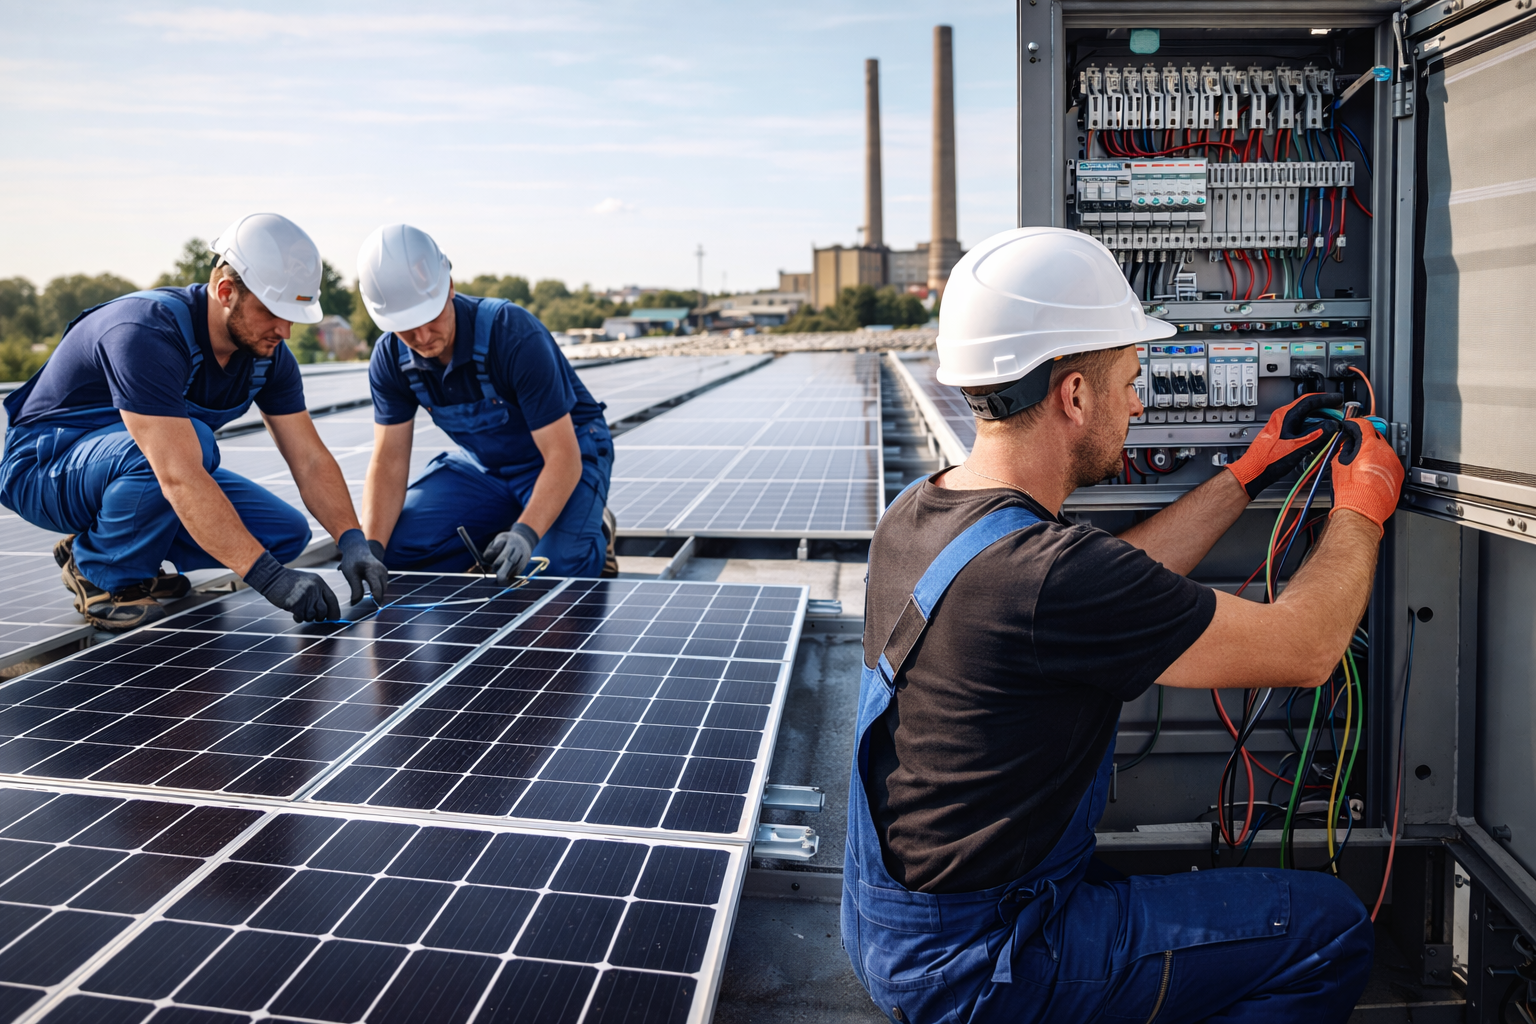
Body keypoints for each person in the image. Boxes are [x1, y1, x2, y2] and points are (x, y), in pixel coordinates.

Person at [843, 227, 1403, 1023]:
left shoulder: (923, 512)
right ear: (1073, 394)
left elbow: (1118, 578)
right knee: (1326, 928)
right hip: (988, 968)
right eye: (1131, 380)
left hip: (896, 938)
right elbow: (1308, 650)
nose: (1140, 402)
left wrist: (1247, 473)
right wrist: (1362, 510)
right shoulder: (1051, 575)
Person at [0, 214, 389, 631]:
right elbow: (179, 475)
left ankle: (130, 554)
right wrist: (270, 580)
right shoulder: (147, 332)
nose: (286, 331)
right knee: (193, 446)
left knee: (284, 535)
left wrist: (352, 540)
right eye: (273, 312)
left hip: (139, 467)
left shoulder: (267, 357)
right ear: (226, 291)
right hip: (45, 469)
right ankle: (99, 570)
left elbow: (309, 458)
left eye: (294, 315)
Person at [356, 224, 616, 582]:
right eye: (405, 328)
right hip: (485, 469)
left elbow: (562, 455)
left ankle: (589, 528)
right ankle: (502, 529)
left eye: (429, 319)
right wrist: (372, 550)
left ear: (448, 287)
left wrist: (525, 534)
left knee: (548, 569)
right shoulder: (390, 358)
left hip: (566, 453)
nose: (421, 337)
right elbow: (388, 460)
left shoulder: (512, 335)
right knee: (399, 550)